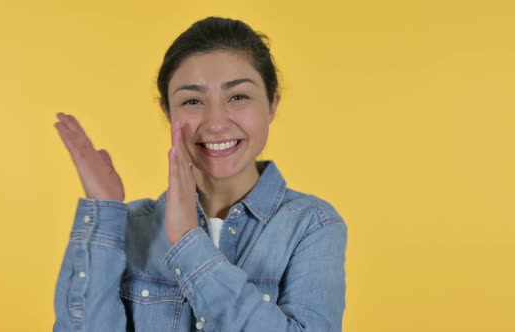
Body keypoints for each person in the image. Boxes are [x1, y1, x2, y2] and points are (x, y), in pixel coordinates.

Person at [52, 16, 347, 332]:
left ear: (272, 104)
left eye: (238, 97)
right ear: (168, 112)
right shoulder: (130, 228)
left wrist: (188, 243)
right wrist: (104, 211)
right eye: (192, 101)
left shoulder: (312, 225)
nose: (216, 122)